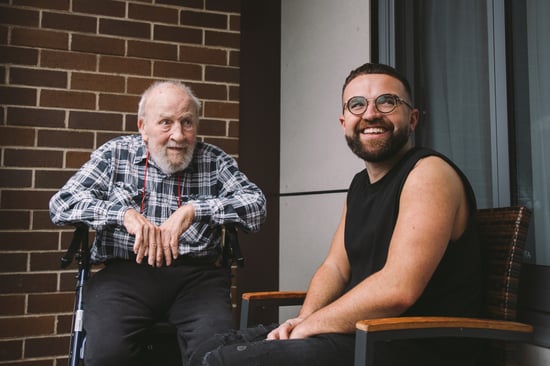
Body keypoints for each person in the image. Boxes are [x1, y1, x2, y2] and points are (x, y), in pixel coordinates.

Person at [189, 62, 483, 366]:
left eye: (387, 101)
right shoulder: (360, 184)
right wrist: (303, 319)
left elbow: (398, 291)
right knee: (205, 347)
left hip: (417, 346)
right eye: (357, 104)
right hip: (362, 335)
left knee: (224, 361)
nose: (370, 114)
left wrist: (309, 326)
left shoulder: (428, 173)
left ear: (413, 118)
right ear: (344, 122)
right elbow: (335, 268)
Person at [49, 80, 267, 366]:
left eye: (187, 122)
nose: (178, 135)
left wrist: (195, 210)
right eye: (166, 123)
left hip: (197, 279)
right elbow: (62, 203)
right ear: (143, 126)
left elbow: (256, 205)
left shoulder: (214, 160)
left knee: (216, 356)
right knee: (107, 355)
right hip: (125, 275)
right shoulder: (115, 155)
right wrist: (123, 215)